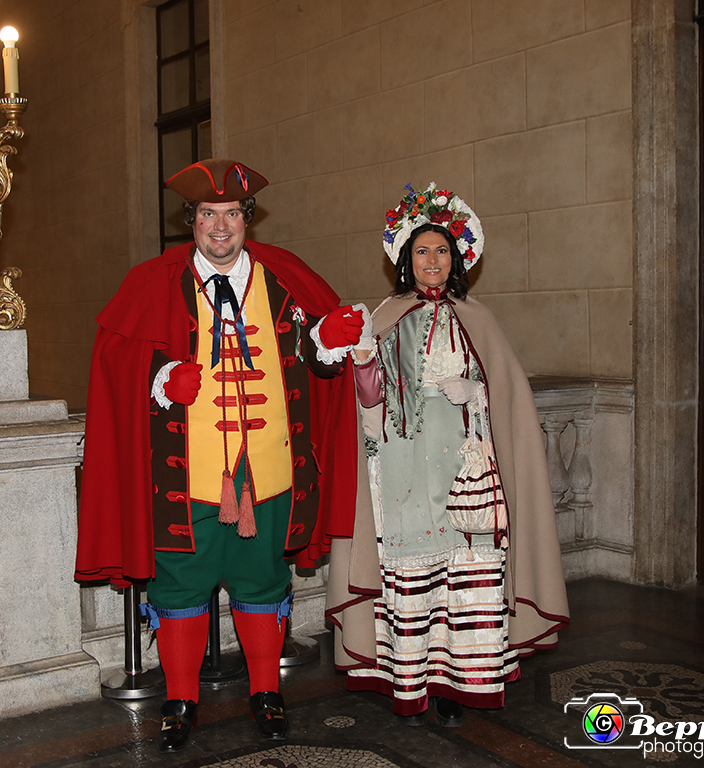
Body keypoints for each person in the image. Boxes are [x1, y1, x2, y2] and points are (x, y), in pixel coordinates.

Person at [75, 159, 362, 752]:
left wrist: (330, 345)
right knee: (180, 586)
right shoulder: (152, 282)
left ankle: (266, 693)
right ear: (193, 220)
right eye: (209, 214)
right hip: (188, 478)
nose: (221, 226)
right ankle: (179, 700)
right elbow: (120, 365)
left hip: (270, 472)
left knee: (262, 579)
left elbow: (316, 361)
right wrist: (161, 380)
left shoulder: (284, 278)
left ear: (246, 219)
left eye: (232, 214)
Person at [326, 183, 570, 727]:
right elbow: (368, 401)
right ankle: (411, 678)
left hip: (467, 474)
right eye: (421, 251)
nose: (431, 261)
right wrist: (363, 360)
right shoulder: (384, 317)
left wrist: (478, 390)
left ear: (456, 259)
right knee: (414, 577)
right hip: (403, 470)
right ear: (405, 261)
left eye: (441, 251)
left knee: (467, 576)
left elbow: (508, 397)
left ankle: (457, 685)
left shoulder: (479, 319)